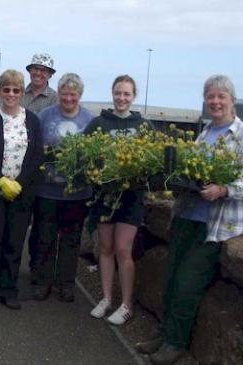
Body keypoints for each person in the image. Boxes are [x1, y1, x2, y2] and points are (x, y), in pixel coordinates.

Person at [137, 75, 243, 365]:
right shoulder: (205, 133)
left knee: (187, 284)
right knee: (170, 280)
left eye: (221, 96)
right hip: (187, 215)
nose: (216, 102)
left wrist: (224, 189)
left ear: (232, 100)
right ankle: (164, 333)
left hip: (216, 224)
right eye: (211, 97)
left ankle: (175, 343)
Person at [0, 69, 43, 310]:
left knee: (14, 243)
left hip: (21, 193)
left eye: (16, 90)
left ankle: (9, 289)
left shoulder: (32, 120)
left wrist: (19, 183)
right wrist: (1, 180)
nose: (11, 94)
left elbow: (37, 157)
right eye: (6, 89)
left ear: (22, 93)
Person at [85, 75, 150, 325]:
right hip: (104, 196)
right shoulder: (99, 122)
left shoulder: (143, 125)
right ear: (112, 94)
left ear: (133, 96)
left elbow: (152, 163)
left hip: (131, 198)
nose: (122, 98)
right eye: (118, 93)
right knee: (106, 248)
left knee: (123, 250)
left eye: (126, 94)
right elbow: (85, 154)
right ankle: (106, 298)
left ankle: (126, 304)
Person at [32, 73, 94, 302]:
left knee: (71, 240)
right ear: (59, 94)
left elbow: (94, 153)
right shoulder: (45, 116)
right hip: (47, 190)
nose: (69, 98)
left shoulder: (89, 119)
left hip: (77, 192)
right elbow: (35, 146)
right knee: (45, 238)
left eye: (73, 94)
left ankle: (66, 284)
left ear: (80, 95)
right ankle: (43, 282)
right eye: (65, 93)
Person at [22, 53, 58, 276]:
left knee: (41, 224)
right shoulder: (18, 92)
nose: (38, 73)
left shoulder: (54, 99)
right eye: (35, 68)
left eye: (43, 70)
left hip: (43, 167)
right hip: (16, 164)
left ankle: (37, 268)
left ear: (50, 75)